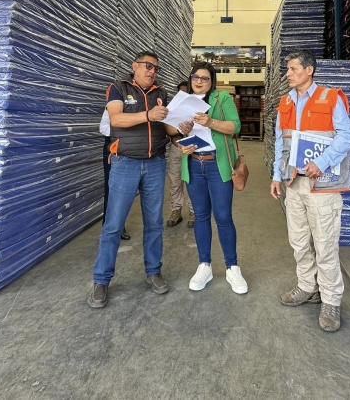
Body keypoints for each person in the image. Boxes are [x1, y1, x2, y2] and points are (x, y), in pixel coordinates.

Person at [270, 50, 350, 332]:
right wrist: (276, 176)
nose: (288, 74)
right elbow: (280, 143)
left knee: (325, 244)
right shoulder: (285, 102)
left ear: (309, 70)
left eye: (293, 69)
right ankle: (307, 287)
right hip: (294, 183)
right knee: (298, 241)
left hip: (323, 186)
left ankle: (330, 300)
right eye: (287, 69)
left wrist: (322, 161)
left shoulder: (330, 98)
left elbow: (347, 136)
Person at [89, 51, 178, 309]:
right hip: (125, 163)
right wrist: (148, 115)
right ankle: (101, 280)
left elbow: (168, 127)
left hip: (155, 163)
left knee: (154, 223)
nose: (152, 71)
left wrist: (180, 130)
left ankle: (154, 271)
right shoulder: (119, 88)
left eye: (156, 68)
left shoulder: (162, 93)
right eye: (148, 66)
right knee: (114, 224)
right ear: (135, 66)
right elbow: (116, 118)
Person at [176, 62, 248, 294]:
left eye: (204, 78)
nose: (198, 81)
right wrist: (181, 141)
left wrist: (211, 122)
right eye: (195, 77)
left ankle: (232, 267)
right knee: (201, 216)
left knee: (223, 216)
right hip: (193, 164)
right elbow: (176, 132)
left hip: (218, 165)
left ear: (211, 81)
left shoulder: (221, 99)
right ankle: (204, 265)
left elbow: (235, 126)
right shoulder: (184, 101)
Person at [166, 82, 194, 228]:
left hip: (193, 147)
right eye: (180, 92)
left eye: (186, 92)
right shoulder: (172, 109)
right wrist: (179, 144)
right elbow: (169, 132)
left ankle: (193, 211)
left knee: (192, 180)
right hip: (177, 147)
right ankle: (176, 210)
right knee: (175, 179)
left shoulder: (197, 108)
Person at [99, 110, 130, 241]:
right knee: (111, 189)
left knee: (125, 190)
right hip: (113, 149)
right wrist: (123, 132)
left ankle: (119, 224)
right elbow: (103, 128)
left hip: (129, 149)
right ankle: (110, 226)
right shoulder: (111, 108)